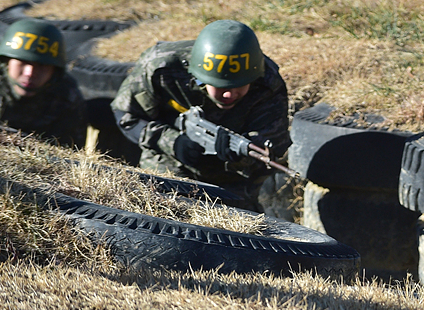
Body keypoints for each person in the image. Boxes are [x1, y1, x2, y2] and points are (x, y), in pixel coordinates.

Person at [110, 19, 290, 210]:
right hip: (167, 163)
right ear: (198, 77)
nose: (229, 94)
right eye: (220, 86)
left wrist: (241, 151)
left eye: (238, 86)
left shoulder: (267, 81)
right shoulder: (161, 66)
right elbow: (127, 116)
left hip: (234, 176)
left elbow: (275, 141)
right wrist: (173, 142)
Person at [0, 19, 87, 148]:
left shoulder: (66, 97)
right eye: (22, 62)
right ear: (7, 61)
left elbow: (72, 151)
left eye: (42, 66)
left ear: (54, 71)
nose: (30, 73)